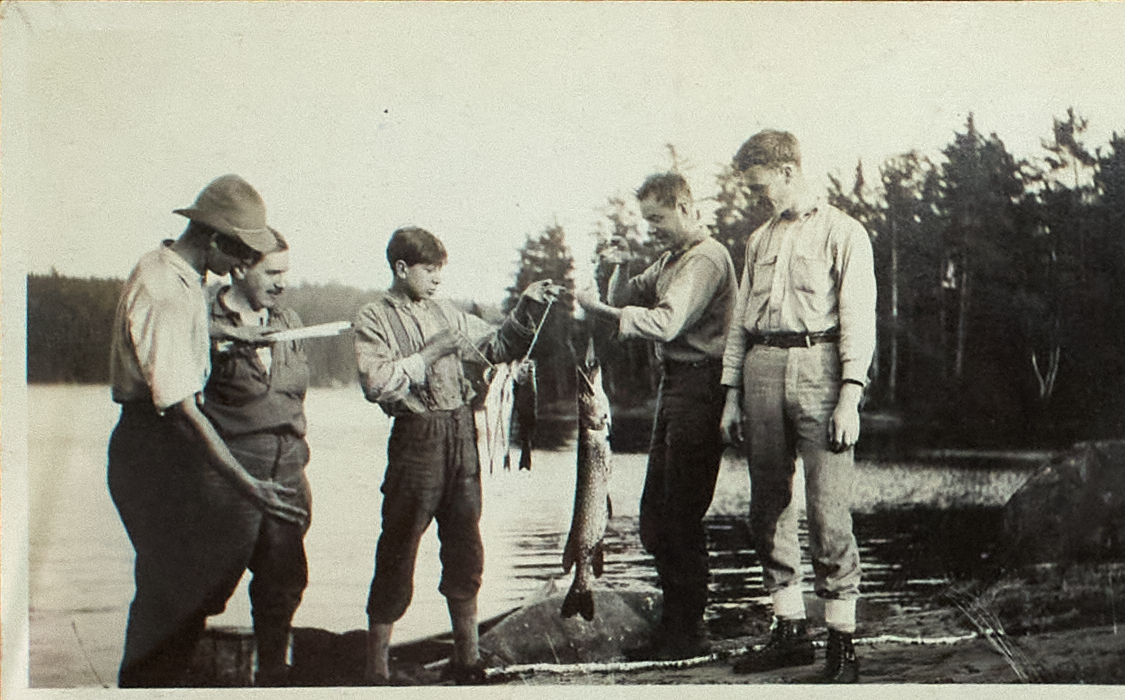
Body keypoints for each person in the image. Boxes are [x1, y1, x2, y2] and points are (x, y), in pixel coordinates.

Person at [107, 174, 308, 687]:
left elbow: (183, 329)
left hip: (160, 441)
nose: (242, 267)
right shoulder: (168, 290)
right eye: (239, 255)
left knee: (176, 590)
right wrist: (251, 486)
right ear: (214, 239)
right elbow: (183, 411)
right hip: (155, 445)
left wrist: (230, 331)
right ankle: (147, 687)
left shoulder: (172, 268)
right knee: (171, 596)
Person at [353, 226, 563, 685]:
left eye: (440, 271)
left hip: (462, 434)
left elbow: (499, 345)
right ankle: (376, 671)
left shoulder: (447, 312)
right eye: (429, 271)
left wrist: (527, 304)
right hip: (415, 438)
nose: (437, 280)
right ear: (401, 268)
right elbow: (376, 384)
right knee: (398, 546)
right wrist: (429, 355)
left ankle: (467, 660)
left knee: (466, 546)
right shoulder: (372, 318)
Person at [719, 130, 876, 683]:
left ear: (787, 171)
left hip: (822, 368)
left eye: (760, 186)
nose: (757, 198)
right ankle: (788, 629)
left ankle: (841, 642)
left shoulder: (845, 232)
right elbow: (740, 325)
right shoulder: (758, 241)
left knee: (830, 512)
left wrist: (850, 396)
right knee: (767, 505)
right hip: (762, 366)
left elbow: (860, 318)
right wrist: (732, 395)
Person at [576, 172, 737, 660]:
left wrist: (593, 307)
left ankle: (686, 632)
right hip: (675, 388)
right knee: (655, 515)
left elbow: (664, 323)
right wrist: (619, 269)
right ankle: (677, 623)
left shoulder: (706, 259)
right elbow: (628, 300)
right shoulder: (671, 259)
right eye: (647, 221)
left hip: (702, 387)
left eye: (658, 219)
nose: (652, 230)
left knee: (680, 513)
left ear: (686, 206)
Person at [201, 231, 311, 686]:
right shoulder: (205, 316)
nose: (282, 283)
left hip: (286, 476)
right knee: (203, 584)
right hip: (228, 478)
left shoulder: (289, 320)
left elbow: (293, 399)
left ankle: (272, 675)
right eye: (273, 272)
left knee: (284, 583)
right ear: (239, 268)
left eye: (286, 272)